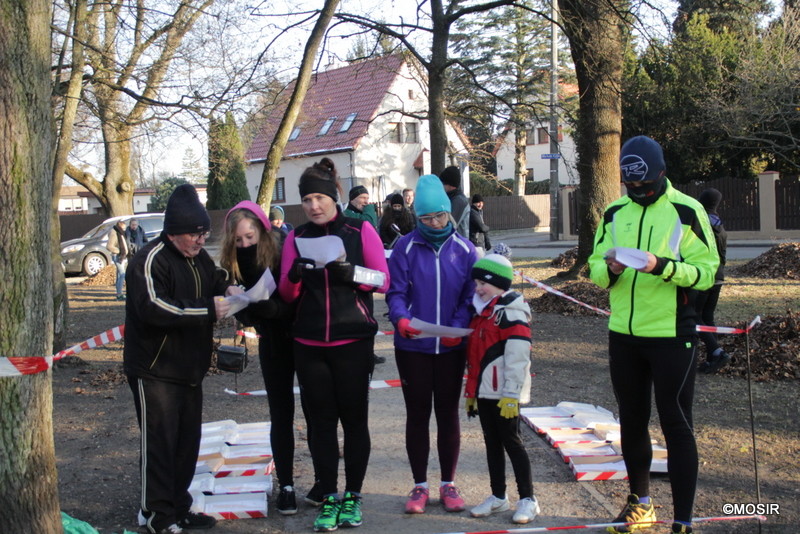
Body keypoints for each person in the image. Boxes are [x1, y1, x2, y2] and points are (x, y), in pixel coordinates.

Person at [588, 136, 719, 534]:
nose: (639, 193)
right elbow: (594, 267)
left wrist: (661, 265)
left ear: (662, 173)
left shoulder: (686, 211)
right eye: (631, 187)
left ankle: (683, 520)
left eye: (645, 187)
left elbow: (708, 271)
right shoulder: (613, 212)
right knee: (631, 420)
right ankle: (639, 506)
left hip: (671, 333)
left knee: (676, 423)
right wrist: (609, 269)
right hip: (624, 334)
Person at [278, 158, 390, 532]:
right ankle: (329, 496)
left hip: (352, 340)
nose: (313, 205)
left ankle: (353, 496)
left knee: (354, 421)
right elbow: (286, 293)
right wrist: (294, 276)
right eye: (307, 199)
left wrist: (353, 274)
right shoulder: (297, 238)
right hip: (308, 342)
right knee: (320, 425)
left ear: (334, 197)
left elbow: (383, 280)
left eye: (319, 198)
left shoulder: (360, 230)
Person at [124, 184, 238, 534]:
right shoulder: (148, 259)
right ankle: (157, 514)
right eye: (194, 234)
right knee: (160, 443)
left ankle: (179, 506)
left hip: (190, 369)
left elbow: (214, 280)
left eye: (204, 232)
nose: (201, 240)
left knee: (187, 443)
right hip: (154, 369)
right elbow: (155, 308)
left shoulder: (199, 257)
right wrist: (209, 309)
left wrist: (229, 289)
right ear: (174, 232)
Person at [386, 174, 479, 515]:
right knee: (417, 413)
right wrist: (401, 319)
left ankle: (448, 483)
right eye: (426, 218)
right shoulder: (404, 247)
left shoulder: (466, 250)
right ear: (417, 218)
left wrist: (457, 328)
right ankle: (420, 485)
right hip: (413, 346)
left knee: (447, 413)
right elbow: (396, 292)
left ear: (448, 213)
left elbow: (470, 297)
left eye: (439, 216)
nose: (435, 223)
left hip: (451, 346)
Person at [219, 200, 309, 516]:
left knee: (315, 411)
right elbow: (243, 308)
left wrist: (275, 309)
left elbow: (300, 293)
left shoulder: (285, 247)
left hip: (302, 337)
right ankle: (286, 486)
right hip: (272, 342)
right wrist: (243, 309)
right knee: (280, 414)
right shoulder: (233, 262)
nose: (245, 244)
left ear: (262, 229)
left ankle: (324, 483)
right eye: (239, 240)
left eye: (249, 237)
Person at [464, 254, 539, 524]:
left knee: (513, 444)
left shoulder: (511, 312)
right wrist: (471, 393)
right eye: (476, 283)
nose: (479, 288)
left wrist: (511, 395)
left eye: (484, 283)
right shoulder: (481, 312)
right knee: (491, 444)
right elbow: (475, 358)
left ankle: (528, 499)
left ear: (499, 283)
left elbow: (518, 358)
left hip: (504, 394)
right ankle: (498, 496)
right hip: (485, 393)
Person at [695, 188, 730, 374]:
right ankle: (711, 359)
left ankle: (717, 352)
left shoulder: (702, 223)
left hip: (705, 277)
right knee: (707, 317)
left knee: (694, 316)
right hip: (719, 276)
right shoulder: (720, 225)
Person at [438, 165, 470, 239]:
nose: (441, 186)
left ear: (450, 184)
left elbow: (448, 224)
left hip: (458, 245)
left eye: (443, 183)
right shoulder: (453, 198)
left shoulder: (459, 201)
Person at [106, 219, 129, 300]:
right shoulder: (114, 233)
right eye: (124, 228)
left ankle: (119, 294)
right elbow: (109, 246)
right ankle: (119, 294)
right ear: (120, 225)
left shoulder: (120, 232)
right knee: (122, 274)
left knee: (119, 275)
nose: (125, 229)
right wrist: (119, 251)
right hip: (118, 256)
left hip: (122, 256)